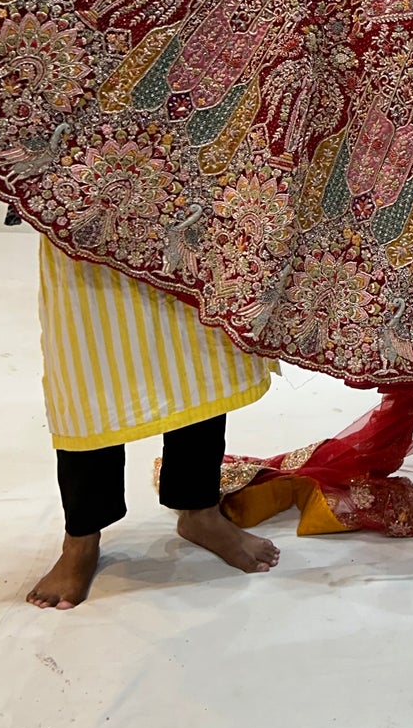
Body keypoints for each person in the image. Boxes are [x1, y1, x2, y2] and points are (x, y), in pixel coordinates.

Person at [28, 238, 280, 609]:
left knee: (197, 354)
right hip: (89, 199)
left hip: (182, 203)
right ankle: (82, 536)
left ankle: (199, 510)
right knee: (88, 369)